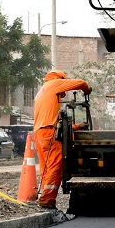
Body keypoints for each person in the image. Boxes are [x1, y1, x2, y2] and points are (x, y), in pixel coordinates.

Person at [32, 70, 91, 209]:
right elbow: (81, 83)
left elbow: (54, 120)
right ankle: (47, 201)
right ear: (61, 79)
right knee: (54, 166)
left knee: (46, 167)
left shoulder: (42, 91)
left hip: (40, 133)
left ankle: (44, 195)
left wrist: (76, 126)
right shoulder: (55, 84)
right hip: (49, 133)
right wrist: (87, 89)